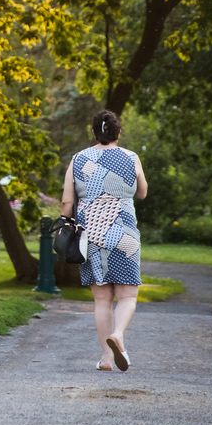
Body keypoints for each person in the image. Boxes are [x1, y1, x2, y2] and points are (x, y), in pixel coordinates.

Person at [61, 108, 146, 372]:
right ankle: (118, 334)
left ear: (95, 132)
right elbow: (142, 192)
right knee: (128, 294)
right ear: (118, 132)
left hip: (92, 235)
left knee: (101, 299)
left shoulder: (78, 159)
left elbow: (67, 201)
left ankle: (107, 359)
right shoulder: (131, 158)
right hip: (124, 233)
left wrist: (66, 222)